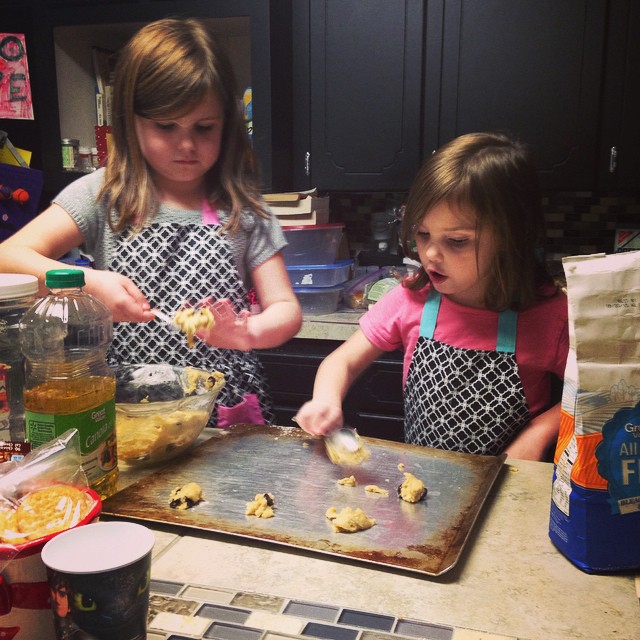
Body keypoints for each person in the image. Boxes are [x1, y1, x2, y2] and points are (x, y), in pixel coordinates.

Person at [0, 18, 301, 426]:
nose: (187, 144)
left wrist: (248, 333)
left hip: (222, 406)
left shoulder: (242, 207)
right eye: (165, 127)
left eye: (204, 127)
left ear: (226, 124)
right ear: (130, 121)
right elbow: (8, 257)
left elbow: (286, 309)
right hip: (129, 403)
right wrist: (88, 284)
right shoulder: (104, 194)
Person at [296, 132, 568, 460]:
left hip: (508, 489)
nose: (431, 254)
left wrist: (540, 431)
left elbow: (598, 393)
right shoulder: (411, 300)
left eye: (457, 240)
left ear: (513, 237)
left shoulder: (550, 317)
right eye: (423, 234)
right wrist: (325, 399)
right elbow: (341, 361)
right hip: (422, 481)